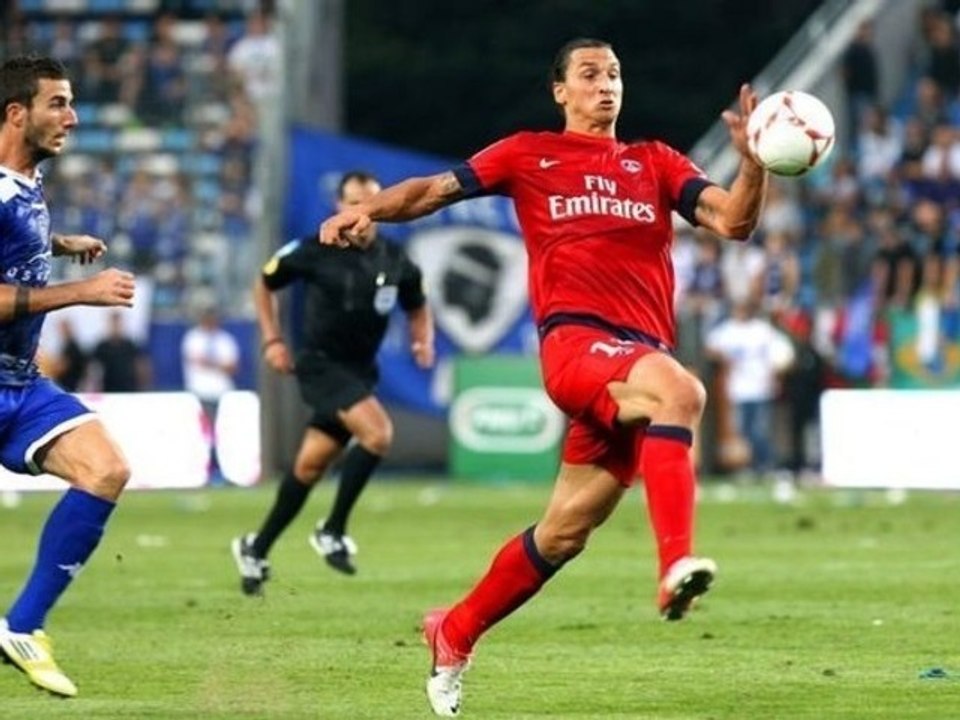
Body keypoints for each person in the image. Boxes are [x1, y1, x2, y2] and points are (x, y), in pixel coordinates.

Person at [320, 39, 768, 717]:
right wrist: (369, 211)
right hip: (578, 346)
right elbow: (433, 191)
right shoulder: (529, 153)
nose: (605, 85)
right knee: (682, 391)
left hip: (632, 364)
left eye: (615, 73)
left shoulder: (655, 162)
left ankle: (455, 630)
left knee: (563, 534)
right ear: (560, 91)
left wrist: (753, 162)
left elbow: (733, 221)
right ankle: (676, 564)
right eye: (589, 75)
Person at [0, 56, 136, 698]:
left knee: (105, 469)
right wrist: (80, 290)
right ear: (15, 113)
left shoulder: (24, 184)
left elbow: (14, 239)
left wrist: (59, 243)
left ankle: (22, 626)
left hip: (18, 382)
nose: (73, 117)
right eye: (58, 102)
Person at [231, 170, 434, 594]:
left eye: (370, 202)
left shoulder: (395, 259)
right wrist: (272, 339)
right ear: (339, 208)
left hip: (360, 371)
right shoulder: (313, 249)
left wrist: (422, 339)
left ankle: (256, 547)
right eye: (353, 202)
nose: (361, 211)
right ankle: (333, 529)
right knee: (378, 434)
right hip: (321, 365)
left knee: (309, 466)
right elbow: (264, 284)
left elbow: (417, 304)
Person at [181, 305, 240, 481]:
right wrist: (219, 364)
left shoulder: (225, 339)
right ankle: (207, 471)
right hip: (200, 393)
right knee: (205, 435)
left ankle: (222, 471)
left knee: (222, 435)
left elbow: (232, 367)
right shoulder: (193, 338)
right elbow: (196, 361)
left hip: (222, 393)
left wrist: (210, 362)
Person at [92, 310, 150, 392]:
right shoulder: (102, 346)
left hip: (128, 389)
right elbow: (94, 369)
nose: (116, 326)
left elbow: (140, 365)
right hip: (109, 389)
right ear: (109, 324)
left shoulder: (130, 345)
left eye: (118, 323)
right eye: (113, 324)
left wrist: (143, 384)